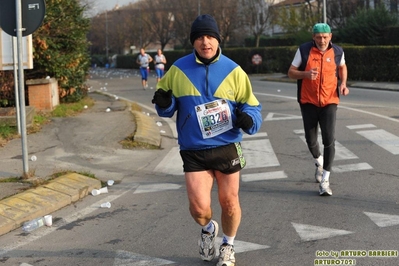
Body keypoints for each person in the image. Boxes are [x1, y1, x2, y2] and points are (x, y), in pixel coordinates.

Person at [151, 14, 262, 266]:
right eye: (200, 37)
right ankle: (209, 229)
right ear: (193, 42)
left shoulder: (234, 71)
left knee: (229, 202)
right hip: (194, 149)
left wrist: (249, 119)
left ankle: (227, 246)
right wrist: (164, 104)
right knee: (200, 209)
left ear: (218, 40)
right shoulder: (178, 69)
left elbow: (252, 106)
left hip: (227, 146)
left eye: (210, 36)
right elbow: (165, 104)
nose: (205, 42)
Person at [287, 23, 349, 196]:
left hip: (330, 101)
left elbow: (342, 67)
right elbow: (291, 72)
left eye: (325, 37)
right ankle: (319, 162)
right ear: (313, 37)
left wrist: (343, 83)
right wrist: (305, 74)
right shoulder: (304, 51)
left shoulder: (337, 51)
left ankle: (325, 180)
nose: (322, 40)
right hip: (308, 101)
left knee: (329, 139)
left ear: (330, 36)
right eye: (319, 37)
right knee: (311, 139)